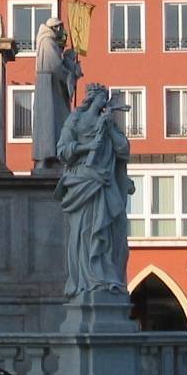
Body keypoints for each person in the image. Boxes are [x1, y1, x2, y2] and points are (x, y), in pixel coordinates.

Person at [56, 83, 134, 297]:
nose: (103, 101)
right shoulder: (75, 120)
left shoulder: (107, 122)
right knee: (83, 233)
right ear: (91, 98)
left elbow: (123, 150)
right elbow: (62, 150)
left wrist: (109, 128)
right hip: (82, 180)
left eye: (103, 97)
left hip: (104, 183)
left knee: (107, 233)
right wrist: (87, 147)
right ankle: (85, 282)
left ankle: (105, 279)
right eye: (100, 96)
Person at [31, 16, 81, 173]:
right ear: (54, 28)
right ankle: (47, 157)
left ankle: (54, 158)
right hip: (50, 88)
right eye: (59, 28)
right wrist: (70, 74)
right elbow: (55, 67)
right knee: (50, 122)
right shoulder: (47, 42)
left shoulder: (49, 42)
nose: (61, 31)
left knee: (55, 122)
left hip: (52, 88)